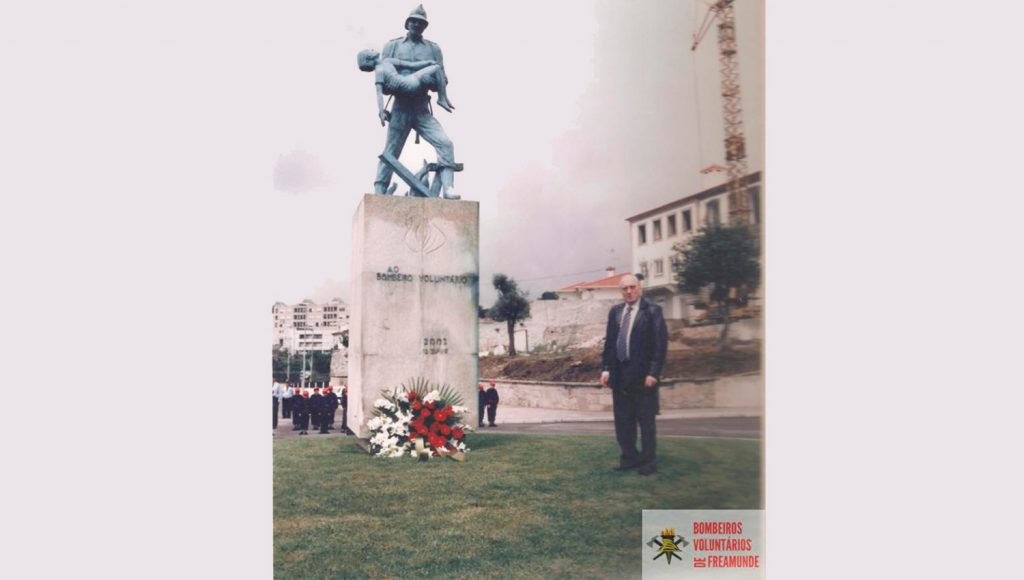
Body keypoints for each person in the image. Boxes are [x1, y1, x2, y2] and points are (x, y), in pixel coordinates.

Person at [371, 4, 460, 200]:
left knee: (445, 143)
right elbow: (383, 81)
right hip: (401, 107)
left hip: (421, 108)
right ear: (407, 23)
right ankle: (379, 189)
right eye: (413, 21)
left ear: (424, 26)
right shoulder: (392, 46)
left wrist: (431, 83)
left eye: (420, 23)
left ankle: (448, 188)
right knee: (391, 150)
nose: (416, 25)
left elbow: (442, 80)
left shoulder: (434, 49)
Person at [599, 274, 668, 476]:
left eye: (632, 287)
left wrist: (653, 373)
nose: (629, 291)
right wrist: (606, 369)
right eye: (624, 288)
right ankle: (629, 458)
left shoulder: (653, 312)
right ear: (620, 291)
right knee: (623, 422)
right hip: (619, 377)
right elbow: (610, 344)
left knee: (646, 423)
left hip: (643, 377)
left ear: (639, 288)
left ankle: (648, 462)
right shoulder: (615, 312)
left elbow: (660, 345)